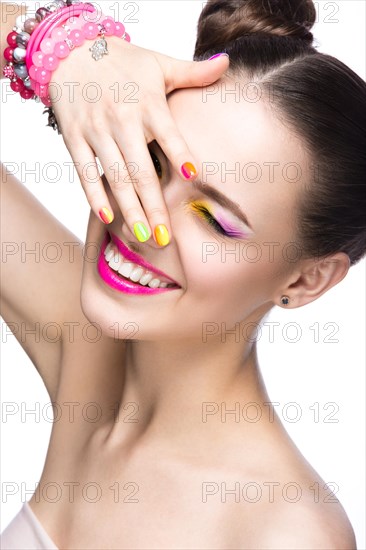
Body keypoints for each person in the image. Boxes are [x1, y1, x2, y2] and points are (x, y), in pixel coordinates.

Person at [1, 0, 365, 548]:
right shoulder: (86, 352)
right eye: (150, 161)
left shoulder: (283, 532)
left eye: (212, 218)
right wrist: (66, 51)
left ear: (304, 281)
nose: (144, 222)